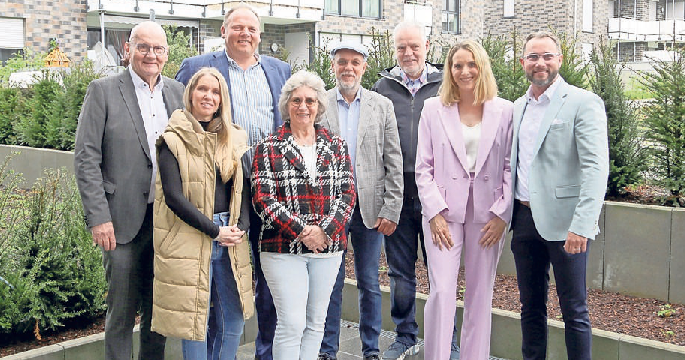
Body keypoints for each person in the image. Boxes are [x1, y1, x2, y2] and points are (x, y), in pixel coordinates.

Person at [176, 7, 291, 359]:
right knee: (217, 283)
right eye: (237, 27)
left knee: (270, 277)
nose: (245, 33)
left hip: (270, 190)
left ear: (260, 33)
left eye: (252, 28)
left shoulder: (280, 70)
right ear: (223, 30)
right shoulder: (197, 67)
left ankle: (266, 352)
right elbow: (180, 124)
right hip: (221, 195)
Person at [74, 21, 184, 360]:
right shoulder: (103, 90)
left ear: (166, 54)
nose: (151, 55)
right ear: (128, 50)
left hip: (166, 222)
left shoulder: (177, 93)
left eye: (158, 49)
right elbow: (86, 156)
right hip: (119, 222)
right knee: (120, 314)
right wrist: (98, 217)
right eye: (143, 47)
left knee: (158, 315)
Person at [510, 31, 609, 360]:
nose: (540, 63)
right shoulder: (516, 107)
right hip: (524, 220)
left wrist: (582, 224)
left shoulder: (583, 102)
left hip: (567, 224)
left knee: (574, 311)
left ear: (560, 60)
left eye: (547, 56)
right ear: (523, 62)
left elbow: (596, 169)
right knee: (530, 307)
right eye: (533, 57)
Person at [415, 40, 513, 360]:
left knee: (480, 296)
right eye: (457, 65)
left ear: (481, 67)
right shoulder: (433, 109)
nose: (464, 71)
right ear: (449, 70)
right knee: (442, 293)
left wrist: (502, 214)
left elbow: (512, 166)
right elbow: (423, 168)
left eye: (471, 64)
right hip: (444, 216)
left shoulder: (505, 111)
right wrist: (434, 213)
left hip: (488, 216)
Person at [251, 70, 356, 360]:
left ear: (319, 105)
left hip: (328, 247)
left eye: (310, 100)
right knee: (291, 322)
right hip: (281, 247)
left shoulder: (336, 146)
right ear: (287, 104)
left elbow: (347, 195)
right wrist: (302, 231)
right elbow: (263, 200)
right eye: (296, 100)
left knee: (315, 323)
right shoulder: (267, 147)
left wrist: (324, 231)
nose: (303, 106)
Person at [151, 67, 253, 360]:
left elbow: (242, 188)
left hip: (230, 237)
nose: (208, 96)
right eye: (202, 89)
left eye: (215, 91)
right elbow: (173, 196)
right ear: (191, 94)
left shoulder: (233, 138)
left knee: (233, 318)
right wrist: (214, 230)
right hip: (193, 236)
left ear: (222, 99)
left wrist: (241, 226)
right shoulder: (173, 138)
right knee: (195, 323)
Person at [371, 22, 451, 360]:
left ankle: (447, 337)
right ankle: (405, 336)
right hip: (397, 192)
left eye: (415, 46)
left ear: (428, 46)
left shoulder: (445, 84)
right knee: (401, 271)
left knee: (442, 270)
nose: (408, 53)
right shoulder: (382, 87)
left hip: (437, 192)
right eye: (402, 47)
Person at [318, 42, 403, 360]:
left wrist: (391, 207)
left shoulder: (381, 105)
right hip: (330, 211)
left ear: (364, 67)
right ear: (334, 66)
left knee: (369, 281)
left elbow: (393, 160)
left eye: (355, 62)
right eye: (342, 62)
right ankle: (327, 349)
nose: (348, 68)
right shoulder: (319, 103)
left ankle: (370, 349)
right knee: (331, 281)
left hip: (371, 209)